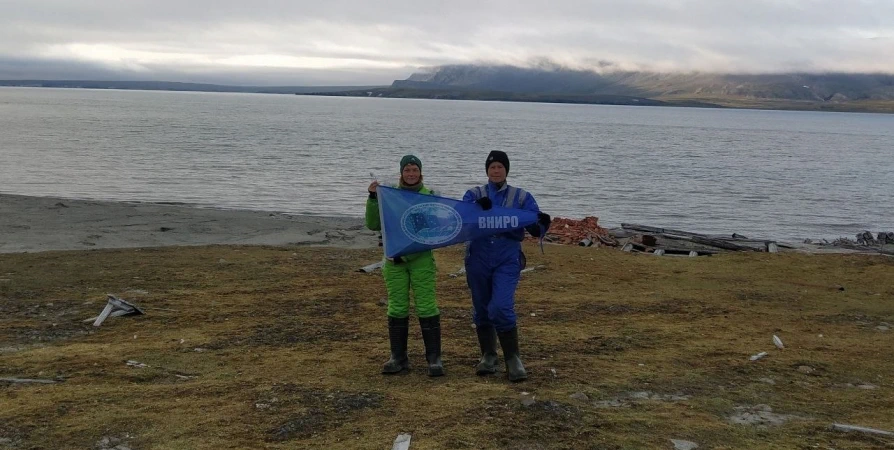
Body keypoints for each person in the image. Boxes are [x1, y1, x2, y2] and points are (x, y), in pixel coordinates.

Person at [463, 150, 550, 382]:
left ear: (506, 170)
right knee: (481, 308)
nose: (496, 170)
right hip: (478, 255)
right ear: (487, 171)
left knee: (500, 306)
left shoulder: (521, 197)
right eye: (492, 167)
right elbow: (460, 219)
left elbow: (536, 223)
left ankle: (513, 358)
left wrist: (541, 225)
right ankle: (488, 356)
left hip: (507, 256)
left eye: (500, 166)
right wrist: (474, 209)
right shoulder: (474, 194)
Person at [365, 155, 444, 377]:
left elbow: (435, 229)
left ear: (421, 173)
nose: (411, 174)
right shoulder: (389, 195)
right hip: (393, 261)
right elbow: (372, 224)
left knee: (427, 306)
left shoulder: (430, 196)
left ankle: (434, 359)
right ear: (401, 173)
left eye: (414, 170)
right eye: (407, 170)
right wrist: (373, 197)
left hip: (421, 260)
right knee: (397, 307)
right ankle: (398, 358)